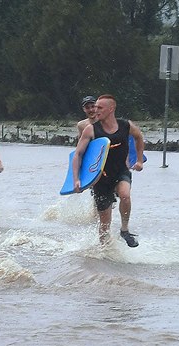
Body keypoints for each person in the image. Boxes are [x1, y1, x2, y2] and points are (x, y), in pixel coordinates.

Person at [72, 94, 144, 247]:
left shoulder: (126, 125)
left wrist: (138, 160)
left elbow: (139, 137)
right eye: (94, 107)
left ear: (111, 109)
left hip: (121, 171)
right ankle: (103, 252)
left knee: (125, 195)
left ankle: (124, 230)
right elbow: (78, 154)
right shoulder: (90, 129)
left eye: (99, 107)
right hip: (101, 177)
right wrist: (77, 178)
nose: (95, 110)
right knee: (105, 224)